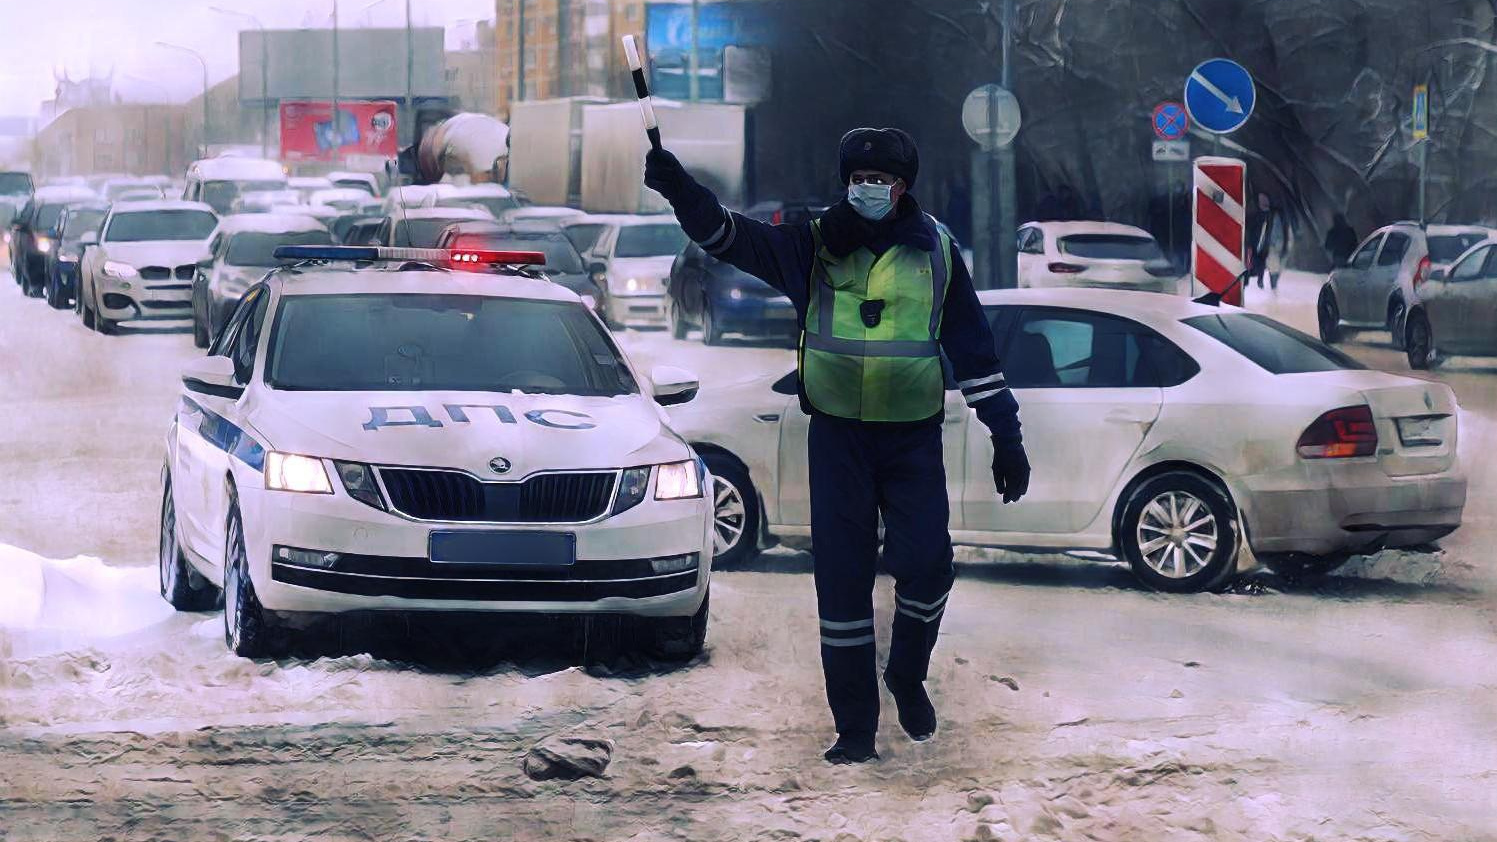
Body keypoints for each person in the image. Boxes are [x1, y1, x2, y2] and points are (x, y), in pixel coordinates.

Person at [643, 128, 1031, 765]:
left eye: (883, 179)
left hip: (911, 441)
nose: (870, 189)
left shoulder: (935, 250)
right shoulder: (812, 246)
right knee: (843, 585)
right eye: (860, 178)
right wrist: (679, 187)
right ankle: (854, 726)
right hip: (838, 440)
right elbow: (726, 236)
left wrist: (1005, 435)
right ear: (846, 182)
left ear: (903, 187)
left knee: (927, 564)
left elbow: (974, 348)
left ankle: (906, 673)